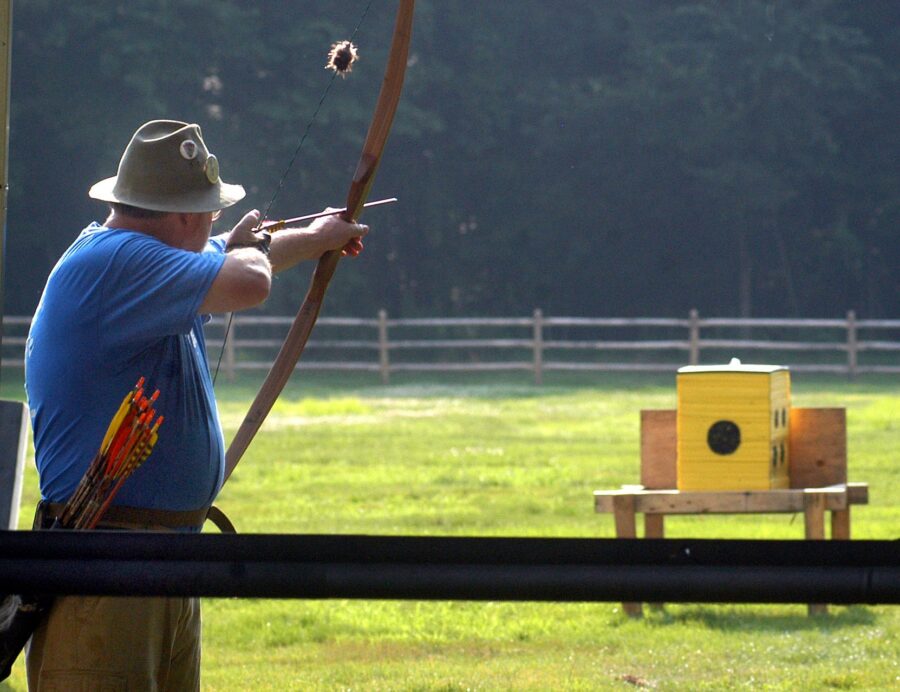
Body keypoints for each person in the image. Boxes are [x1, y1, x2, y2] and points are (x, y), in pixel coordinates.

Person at [23, 119, 367, 690]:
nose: (214, 220)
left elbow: (228, 254)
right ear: (182, 215)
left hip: (157, 562)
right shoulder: (118, 263)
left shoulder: (142, 259)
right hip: (108, 569)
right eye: (207, 209)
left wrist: (319, 236)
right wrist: (251, 247)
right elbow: (248, 277)